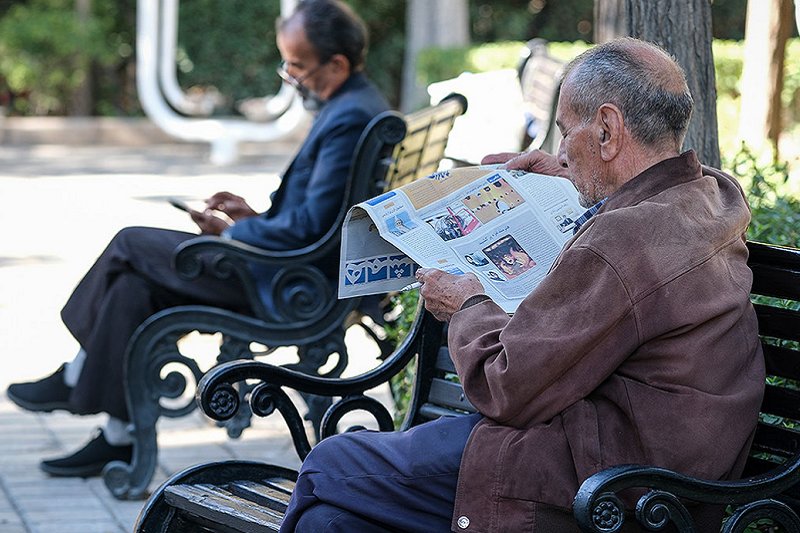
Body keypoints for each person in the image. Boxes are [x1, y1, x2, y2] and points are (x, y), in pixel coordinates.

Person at [277, 37, 765, 532]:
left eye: (564, 132)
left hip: (604, 483)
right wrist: (569, 175)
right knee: (332, 523)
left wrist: (466, 304)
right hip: (651, 463)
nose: (558, 151)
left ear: (607, 130)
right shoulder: (709, 195)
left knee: (329, 465)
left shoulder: (625, 241)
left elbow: (504, 385)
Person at [6, 0, 388, 478]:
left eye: (296, 65)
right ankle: (117, 439)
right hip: (292, 272)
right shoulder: (354, 105)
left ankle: (75, 376)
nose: (289, 77)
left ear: (337, 63)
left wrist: (235, 232)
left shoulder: (349, 116)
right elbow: (314, 216)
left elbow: (308, 229)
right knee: (131, 289)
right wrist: (253, 214)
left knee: (129, 243)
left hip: (286, 286)